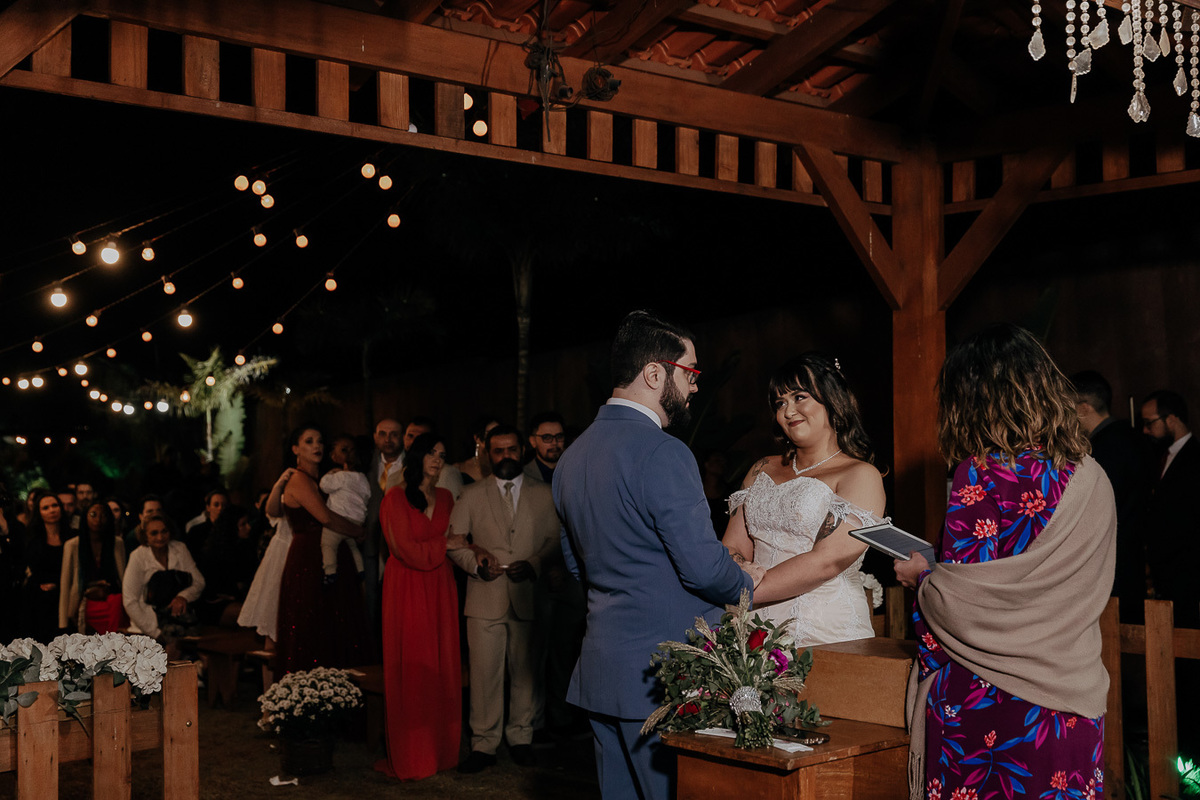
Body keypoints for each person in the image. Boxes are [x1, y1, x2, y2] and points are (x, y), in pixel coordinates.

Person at [894, 323, 1115, 800]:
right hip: (1074, 697)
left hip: (993, 702)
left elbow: (960, 605)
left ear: (967, 400)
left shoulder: (981, 473)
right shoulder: (1093, 478)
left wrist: (922, 578)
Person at [554, 310, 753, 800]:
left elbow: (577, 566)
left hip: (602, 670)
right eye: (690, 372)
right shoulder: (664, 452)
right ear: (654, 373)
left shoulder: (571, 457)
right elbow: (704, 569)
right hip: (662, 677)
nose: (695, 386)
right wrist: (747, 580)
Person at [722, 353, 886, 646]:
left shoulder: (860, 475)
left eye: (799, 397)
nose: (788, 411)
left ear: (832, 400)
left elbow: (826, 561)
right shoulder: (761, 468)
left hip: (824, 633)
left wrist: (738, 591)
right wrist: (736, 573)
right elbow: (733, 546)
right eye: (780, 403)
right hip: (751, 630)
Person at [448, 424, 560, 773]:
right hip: (484, 597)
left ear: (522, 451)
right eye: (498, 451)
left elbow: (556, 541)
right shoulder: (470, 494)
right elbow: (454, 543)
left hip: (529, 596)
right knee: (484, 675)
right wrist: (476, 566)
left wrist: (535, 564)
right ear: (488, 455)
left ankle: (521, 738)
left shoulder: (545, 494)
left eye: (512, 449)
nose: (506, 456)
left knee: (526, 671)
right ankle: (484, 744)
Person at [375, 432, 469, 780]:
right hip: (407, 587)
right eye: (431, 453)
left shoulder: (446, 497)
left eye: (442, 454)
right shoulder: (395, 498)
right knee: (414, 666)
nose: (437, 459)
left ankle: (441, 750)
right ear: (417, 456)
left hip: (440, 586)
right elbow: (405, 551)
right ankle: (414, 755)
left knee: (442, 665)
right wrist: (445, 544)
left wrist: (472, 552)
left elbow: (459, 540)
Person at [269, 426, 368, 679]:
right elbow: (326, 517)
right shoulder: (298, 479)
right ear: (295, 449)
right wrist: (358, 531)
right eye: (309, 441)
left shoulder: (324, 479)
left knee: (335, 625)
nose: (317, 446)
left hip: (328, 554)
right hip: (309, 559)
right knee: (312, 625)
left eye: (320, 441)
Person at [1072, 370, 1151, 622]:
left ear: (1084, 407)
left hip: (1113, 558)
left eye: (1068, 408)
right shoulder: (1132, 436)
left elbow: (1098, 506)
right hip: (1131, 552)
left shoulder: (1106, 447)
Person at [1139, 389, 1200, 627]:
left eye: (1149, 423)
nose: (1145, 430)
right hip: (1165, 573)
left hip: (1187, 572)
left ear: (1171, 419)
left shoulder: (1195, 458)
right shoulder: (1159, 456)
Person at [122, 513, 206, 660]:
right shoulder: (138, 556)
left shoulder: (180, 548)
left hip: (180, 617)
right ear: (145, 536)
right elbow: (130, 601)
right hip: (149, 620)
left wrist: (183, 597)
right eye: (154, 533)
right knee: (174, 643)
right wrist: (155, 633)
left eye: (164, 531)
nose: (160, 537)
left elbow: (199, 582)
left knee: (201, 644)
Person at [60, 501, 128, 633]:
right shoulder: (73, 545)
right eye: (93, 515)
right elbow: (65, 584)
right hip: (85, 602)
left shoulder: (117, 543)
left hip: (113, 599)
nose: (98, 520)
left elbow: (123, 576)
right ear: (85, 516)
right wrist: (63, 622)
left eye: (104, 515)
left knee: (116, 603)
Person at [319, 434, 369, 580]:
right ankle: (360, 569)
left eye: (350, 450)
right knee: (352, 546)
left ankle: (330, 571)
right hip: (356, 521)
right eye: (344, 449)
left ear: (333, 457)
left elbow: (324, 486)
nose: (348, 453)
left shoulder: (340, 476)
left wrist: (330, 473)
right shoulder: (363, 478)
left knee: (328, 545)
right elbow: (367, 495)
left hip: (338, 520)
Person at [22, 490, 68, 641]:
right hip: (39, 597)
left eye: (55, 505)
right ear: (39, 512)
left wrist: (57, 584)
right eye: (46, 508)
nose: (52, 510)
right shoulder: (32, 539)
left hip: (65, 595)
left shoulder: (72, 537)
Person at [455, 416, 500, 485]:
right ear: (477, 438)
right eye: (490, 434)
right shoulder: (459, 468)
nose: (495, 439)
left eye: (498, 433)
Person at [524, 411, 565, 484]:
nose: (554, 443)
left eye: (559, 437)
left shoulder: (576, 470)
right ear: (533, 441)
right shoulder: (524, 475)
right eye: (547, 437)